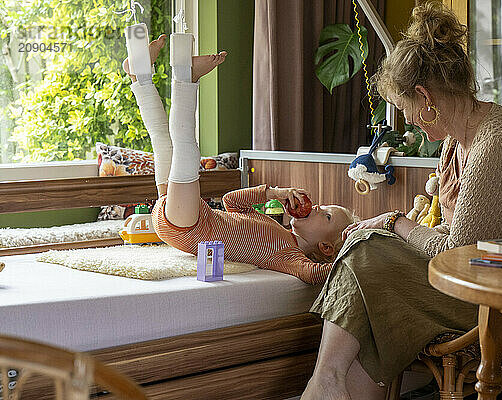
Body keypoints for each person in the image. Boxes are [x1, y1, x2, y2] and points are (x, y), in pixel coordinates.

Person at [301, 2, 502, 399]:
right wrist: (392, 228)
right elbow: (459, 239)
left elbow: (458, 252)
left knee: (368, 254)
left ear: (424, 96)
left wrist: (394, 222)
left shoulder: (499, 145)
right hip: (486, 287)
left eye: (405, 109)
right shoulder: (456, 142)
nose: (409, 120)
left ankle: (324, 382)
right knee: (369, 274)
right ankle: (327, 382)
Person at [123, 35, 355, 285]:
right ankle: (139, 75)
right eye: (324, 206)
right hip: (186, 217)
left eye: (327, 216)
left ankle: (187, 77)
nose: (318, 207)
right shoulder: (272, 224)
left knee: (185, 148)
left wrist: (352, 261)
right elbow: (229, 201)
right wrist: (274, 193)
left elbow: (311, 273)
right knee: (163, 143)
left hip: (191, 228)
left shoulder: (289, 255)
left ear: (326, 247)